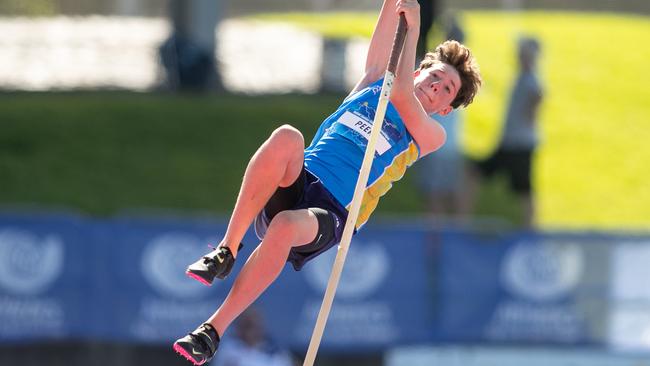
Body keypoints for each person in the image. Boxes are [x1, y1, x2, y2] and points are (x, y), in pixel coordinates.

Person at [173, 1, 482, 365]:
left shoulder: (428, 134)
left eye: (447, 89)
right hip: (302, 178)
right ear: (419, 71)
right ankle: (227, 249)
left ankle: (212, 330)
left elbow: (400, 92)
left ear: (446, 108)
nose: (437, 85)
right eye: (435, 75)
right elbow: (387, 28)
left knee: (286, 225)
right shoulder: (372, 83)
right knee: (287, 137)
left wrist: (413, 28)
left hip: (333, 211)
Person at [472, 36, 543, 227]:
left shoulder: (531, 79)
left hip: (519, 145)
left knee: (525, 191)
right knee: (475, 173)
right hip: (510, 143)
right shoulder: (522, 78)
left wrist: (531, 114)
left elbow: (538, 96)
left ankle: (530, 229)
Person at [414, 12, 468, 219]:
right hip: (451, 145)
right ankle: (452, 240)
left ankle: (435, 245)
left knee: (434, 198)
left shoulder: (441, 73)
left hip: (434, 145)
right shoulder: (463, 79)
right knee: (450, 194)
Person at [211, 307, 295, 366]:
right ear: (239, 326)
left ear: (261, 326)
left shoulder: (277, 355)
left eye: (254, 325)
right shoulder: (227, 349)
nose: (250, 331)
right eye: (247, 325)